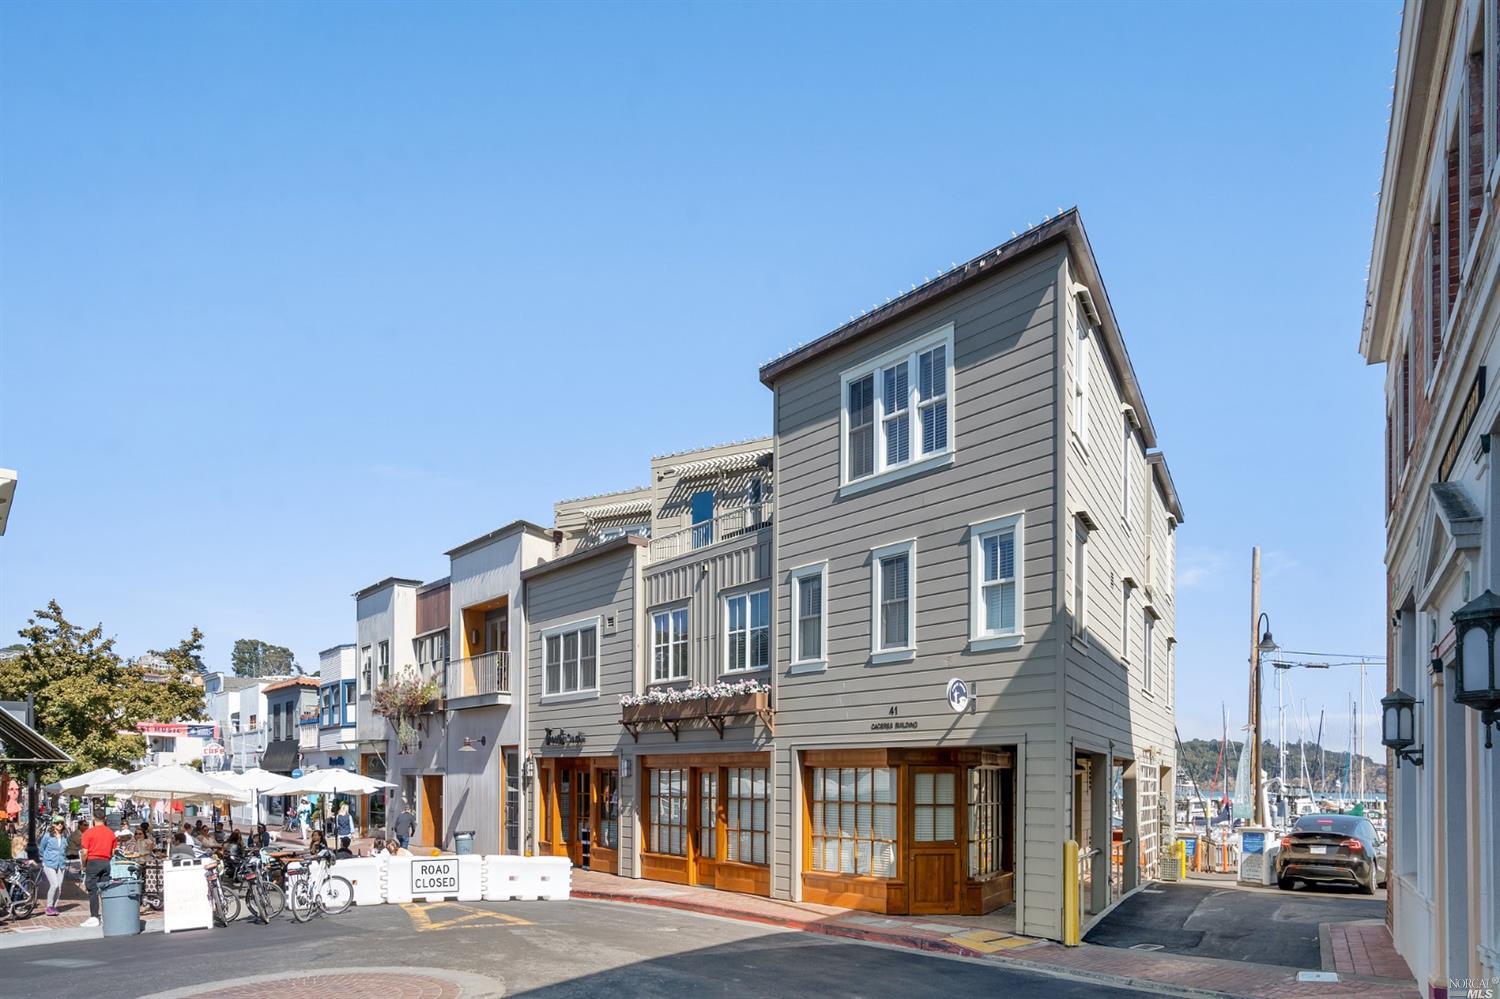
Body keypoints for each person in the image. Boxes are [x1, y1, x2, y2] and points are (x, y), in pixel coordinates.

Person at [79, 815, 116, 928]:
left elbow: (85, 852)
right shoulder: (111, 833)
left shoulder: (89, 833)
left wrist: (84, 865)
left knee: (92, 890)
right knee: (104, 890)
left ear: (94, 819)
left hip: (93, 861)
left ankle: (94, 916)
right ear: (104, 819)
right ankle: (106, 916)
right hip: (106, 862)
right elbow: (113, 851)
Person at [39, 818, 68, 916]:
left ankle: (54, 907)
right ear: (53, 825)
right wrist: (46, 859)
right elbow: (42, 848)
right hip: (49, 863)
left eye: (61, 823)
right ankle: (49, 906)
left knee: (59, 887)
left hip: (61, 863)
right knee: (54, 885)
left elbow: (65, 849)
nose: (60, 825)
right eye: (57, 823)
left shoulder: (64, 836)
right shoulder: (47, 836)